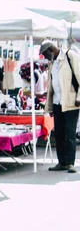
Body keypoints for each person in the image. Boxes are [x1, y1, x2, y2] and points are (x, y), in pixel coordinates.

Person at [41, 40, 80, 173]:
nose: (45, 58)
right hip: (58, 103)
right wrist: (50, 106)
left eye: (45, 55)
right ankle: (61, 162)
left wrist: (79, 98)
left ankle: (70, 163)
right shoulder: (52, 64)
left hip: (71, 102)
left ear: (51, 50)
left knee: (69, 133)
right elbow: (51, 86)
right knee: (58, 134)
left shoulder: (70, 56)